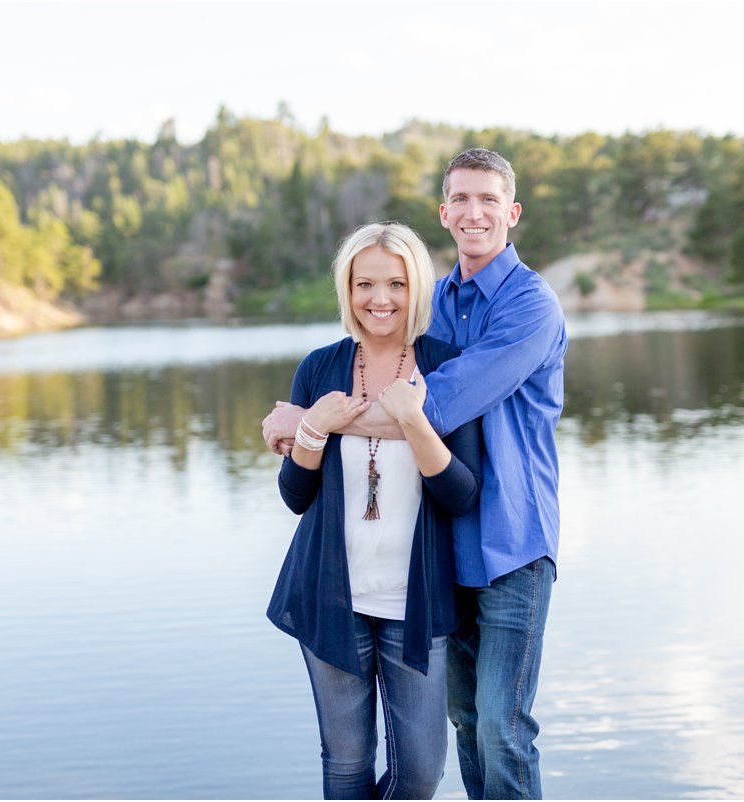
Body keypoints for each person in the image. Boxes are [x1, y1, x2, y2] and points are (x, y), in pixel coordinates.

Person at [266, 148, 567, 799]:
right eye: (460, 198)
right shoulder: (444, 305)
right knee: (463, 724)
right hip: (445, 556)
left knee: (501, 729)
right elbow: (305, 487)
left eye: (488, 199)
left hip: (511, 538)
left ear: (512, 212)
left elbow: (432, 406)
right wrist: (310, 425)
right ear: (443, 211)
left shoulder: (529, 306)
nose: (474, 212)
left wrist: (307, 421)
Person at [269, 222, 482, 800]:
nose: (380, 299)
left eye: (396, 284)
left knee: (420, 772)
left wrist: (414, 420)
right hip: (330, 595)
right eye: (365, 284)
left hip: (417, 602)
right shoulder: (320, 368)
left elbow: (461, 493)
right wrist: (313, 425)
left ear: (418, 288)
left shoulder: (446, 365)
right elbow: (295, 495)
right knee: (345, 767)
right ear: (347, 289)